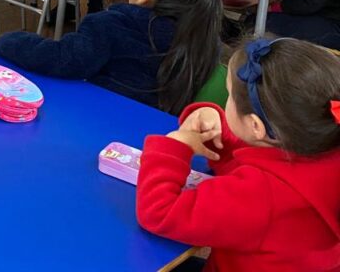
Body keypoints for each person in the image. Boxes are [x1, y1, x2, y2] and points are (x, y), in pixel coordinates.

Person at [136, 38, 340, 272]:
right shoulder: (325, 143)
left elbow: (159, 213)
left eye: (229, 96)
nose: (226, 102)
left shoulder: (263, 196)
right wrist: (222, 132)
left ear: (255, 126)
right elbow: (267, 162)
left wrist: (173, 148)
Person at [0, 0, 224, 113]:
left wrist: (7, 43)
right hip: (155, 134)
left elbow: (62, 58)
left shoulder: (110, 25)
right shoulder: (201, 41)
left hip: (99, 120)